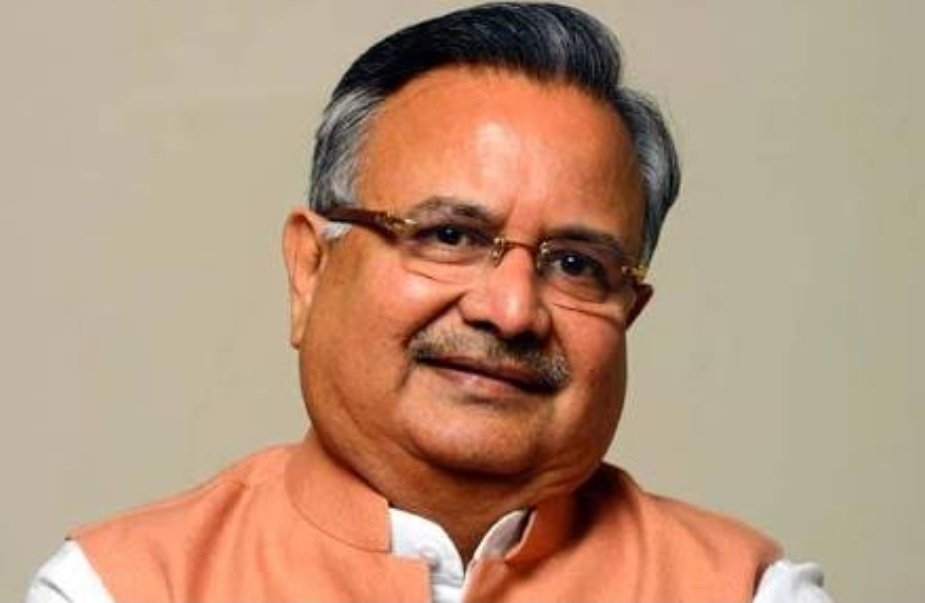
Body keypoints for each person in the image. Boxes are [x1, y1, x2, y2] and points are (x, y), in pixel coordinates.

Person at [27, 3, 833, 602]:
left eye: (574, 264)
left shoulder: (747, 590)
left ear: (628, 312)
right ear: (309, 270)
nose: (509, 309)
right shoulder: (121, 587)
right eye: (449, 235)